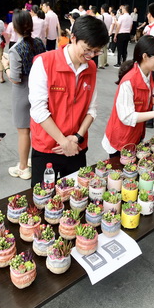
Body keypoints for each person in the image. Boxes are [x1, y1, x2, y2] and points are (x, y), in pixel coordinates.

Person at [28, 15, 108, 185]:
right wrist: (64, 142)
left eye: (96, 51)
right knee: (43, 195)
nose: (91, 55)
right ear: (73, 38)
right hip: (48, 147)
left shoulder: (91, 68)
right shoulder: (44, 63)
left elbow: (92, 108)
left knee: (77, 193)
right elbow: (38, 110)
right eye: (87, 49)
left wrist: (77, 137)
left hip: (76, 145)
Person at [102, 35, 154, 157]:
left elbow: (139, 97)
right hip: (121, 138)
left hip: (134, 135)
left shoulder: (147, 74)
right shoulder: (129, 81)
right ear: (145, 56)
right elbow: (127, 116)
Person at [3, 10, 47, 181]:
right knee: (37, 128)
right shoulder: (39, 43)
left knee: (23, 132)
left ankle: (22, 167)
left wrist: (6, 65)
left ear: (15, 27)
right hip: (40, 90)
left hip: (22, 93)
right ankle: (33, 160)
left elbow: (15, 78)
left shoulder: (15, 50)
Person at [99, 4, 113, 69]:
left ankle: (101, 64)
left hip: (102, 33)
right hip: (107, 33)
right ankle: (105, 62)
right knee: (105, 48)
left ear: (102, 9)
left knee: (101, 49)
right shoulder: (110, 17)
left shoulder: (101, 16)